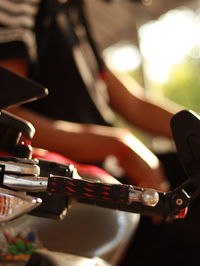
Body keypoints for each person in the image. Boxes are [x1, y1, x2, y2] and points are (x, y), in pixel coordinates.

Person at [0, 0, 182, 192]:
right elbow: (7, 117)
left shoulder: (71, 11)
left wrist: (192, 132)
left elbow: (135, 106)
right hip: (56, 189)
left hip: (98, 179)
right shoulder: (20, 4)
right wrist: (117, 145)